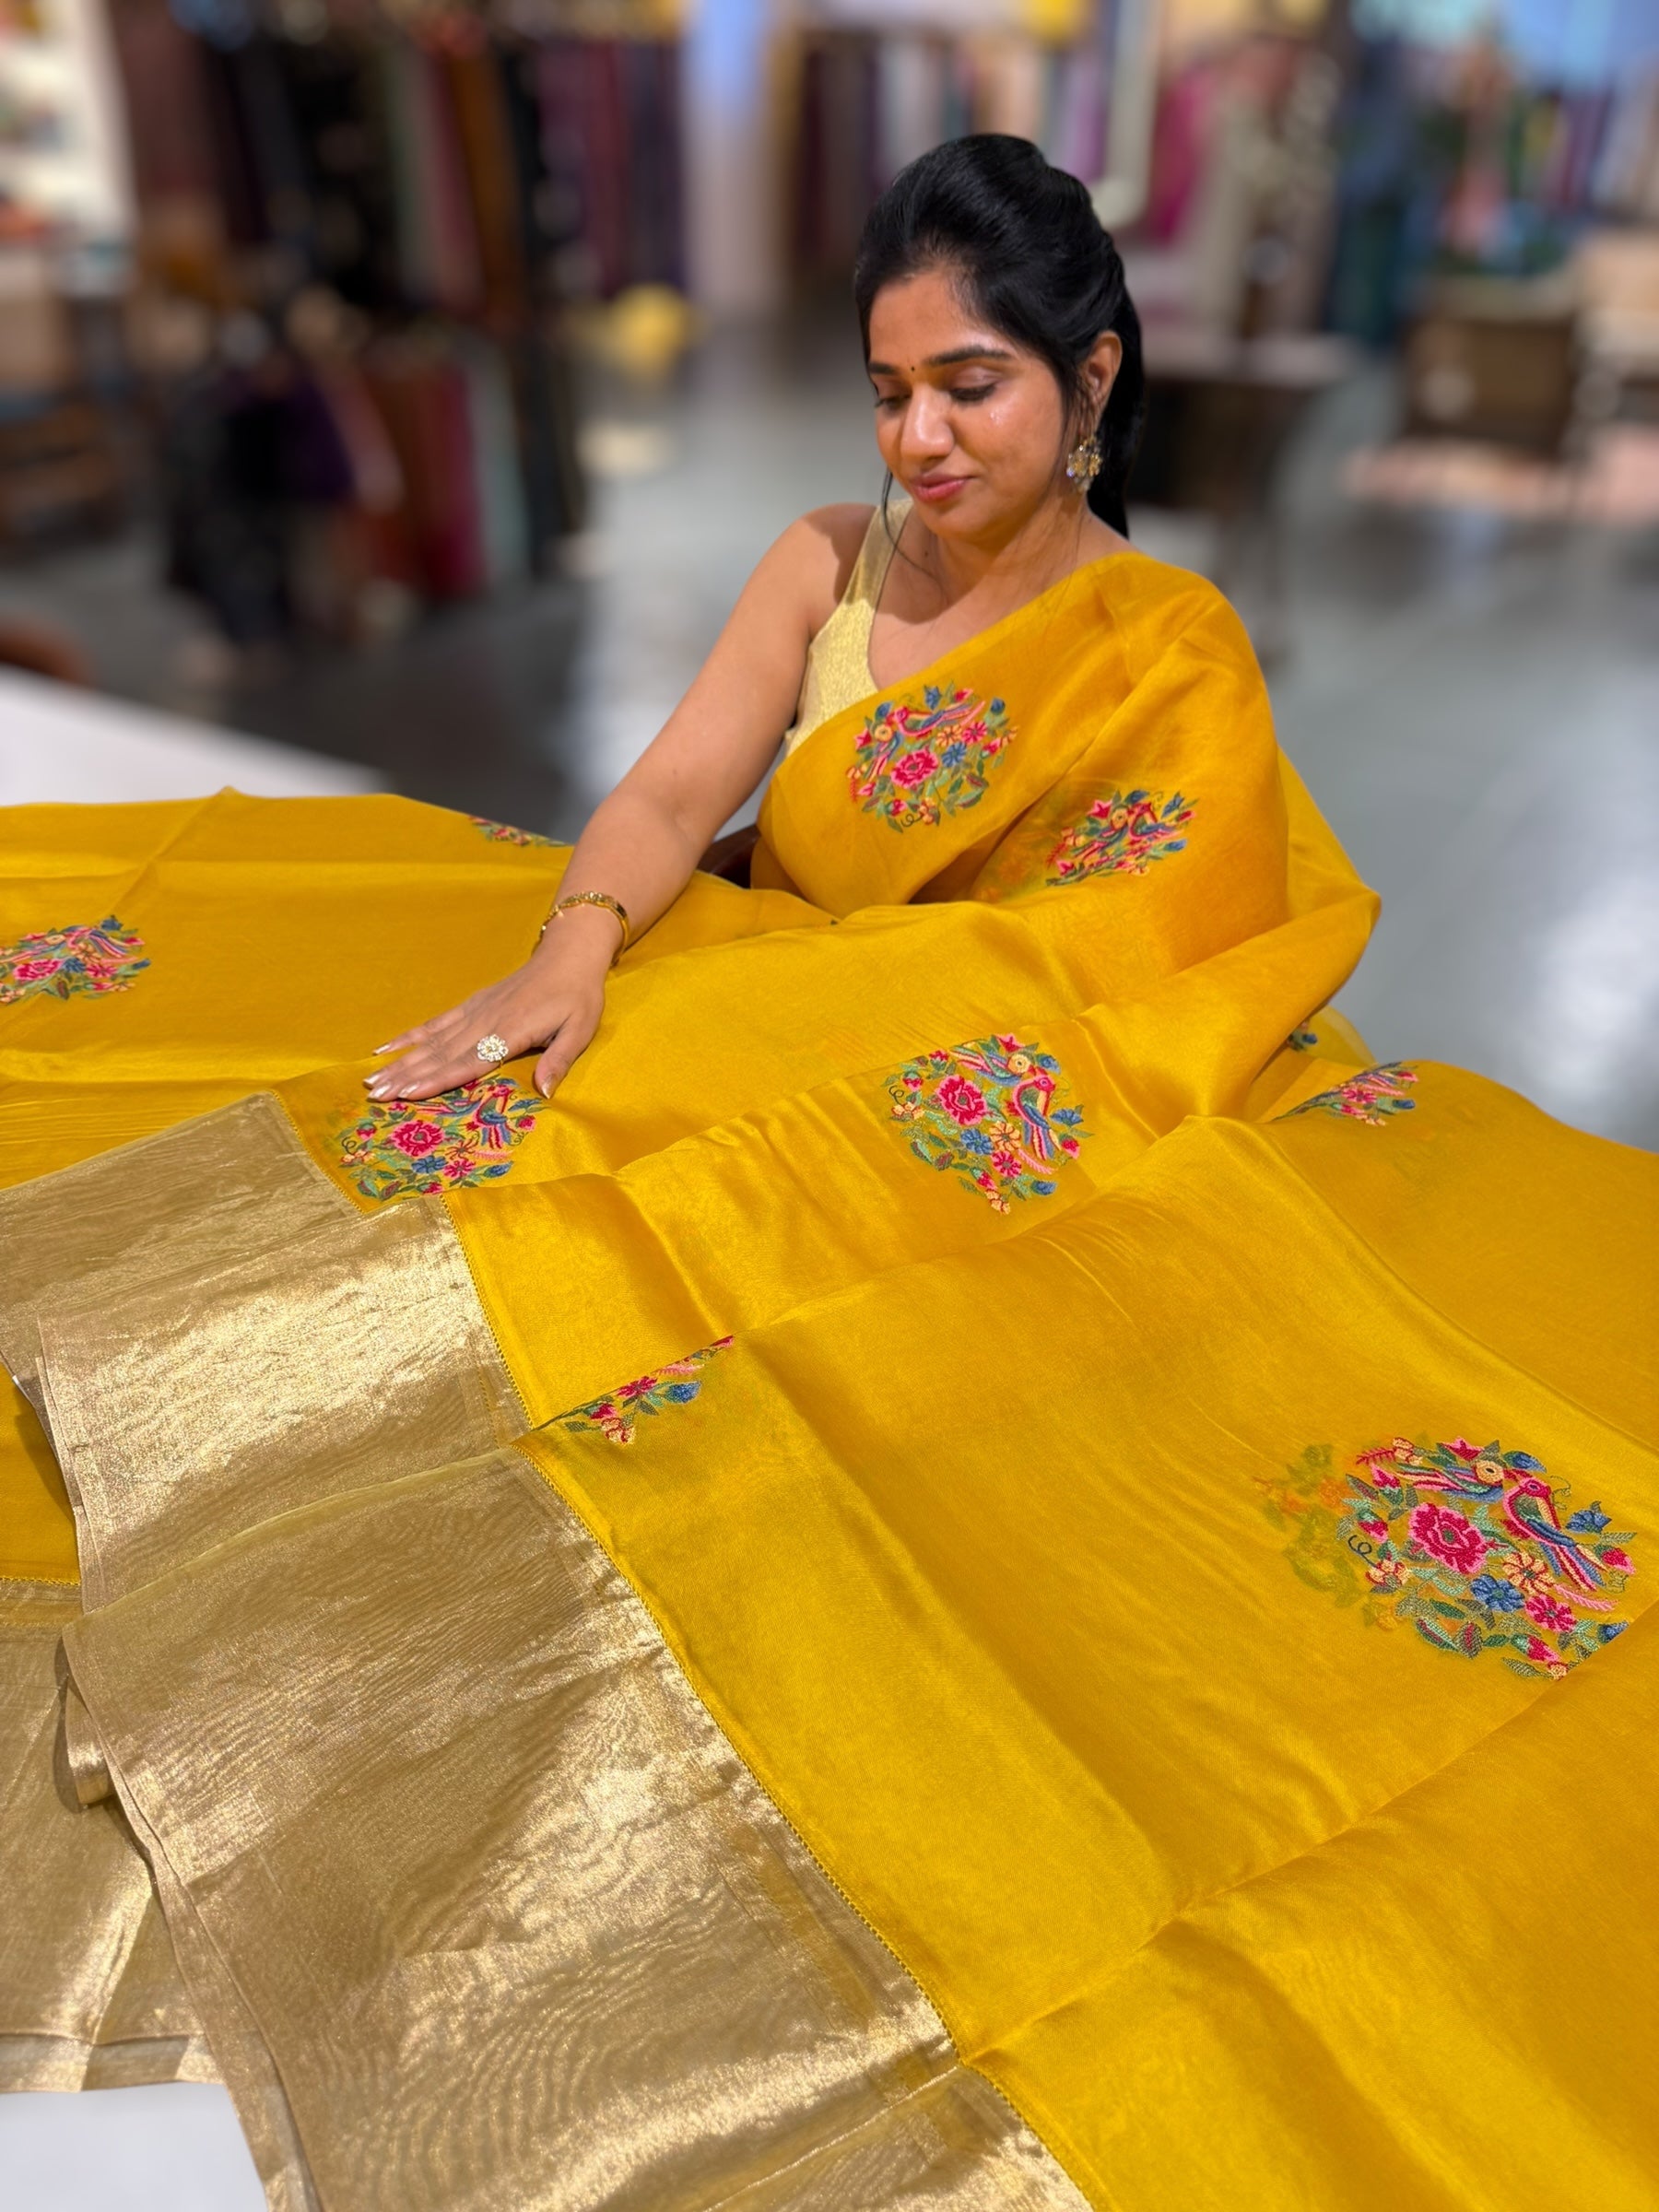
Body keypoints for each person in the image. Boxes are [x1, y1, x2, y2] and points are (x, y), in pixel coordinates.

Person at [0, 138, 1653, 2211]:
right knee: (424, 1171)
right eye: (888, 391)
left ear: (1092, 378)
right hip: (774, 1014)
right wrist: (576, 945)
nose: (921, 439)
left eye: (971, 384)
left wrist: (934, 1042)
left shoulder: (1163, 642)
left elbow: (1153, 947)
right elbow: (677, 788)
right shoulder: (826, 563)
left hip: (1022, 1084)